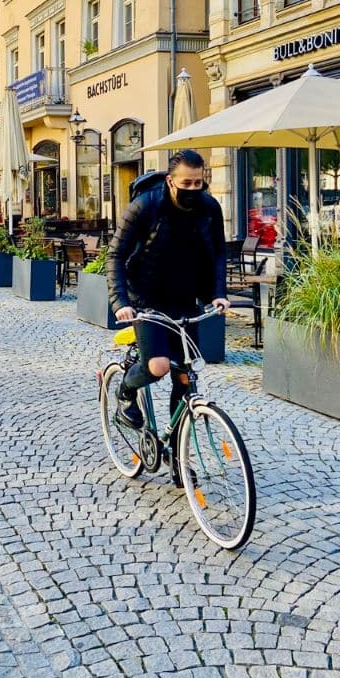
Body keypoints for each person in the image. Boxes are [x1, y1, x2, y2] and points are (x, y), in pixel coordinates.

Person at [106, 149, 230, 466]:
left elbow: (218, 254)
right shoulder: (144, 206)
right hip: (145, 296)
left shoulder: (208, 208)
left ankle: (177, 454)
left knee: (186, 377)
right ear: (171, 181)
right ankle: (125, 392)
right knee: (159, 365)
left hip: (185, 296)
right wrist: (121, 302)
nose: (193, 189)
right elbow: (116, 256)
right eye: (186, 183)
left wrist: (218, 293)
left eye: (198, 183)